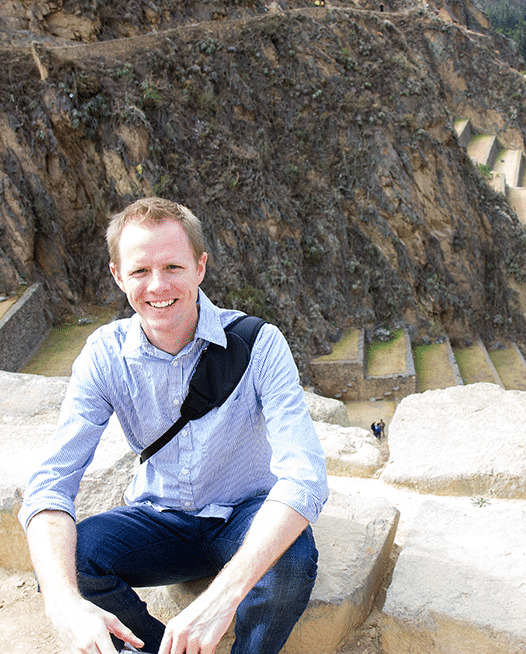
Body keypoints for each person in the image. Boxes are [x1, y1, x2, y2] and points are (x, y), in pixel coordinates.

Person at [19, 197, 328, 654]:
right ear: (117, 275)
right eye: (140, 271)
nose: (158, 285)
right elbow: (50, 484)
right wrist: (62, 605)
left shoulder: (259, 345)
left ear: (200, 268)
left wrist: (220, 599)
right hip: (159, 516)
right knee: (72, 563)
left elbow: (305, 476)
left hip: (244, 512)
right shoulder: (104, 356)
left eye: (173, 267)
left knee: (290, 565)